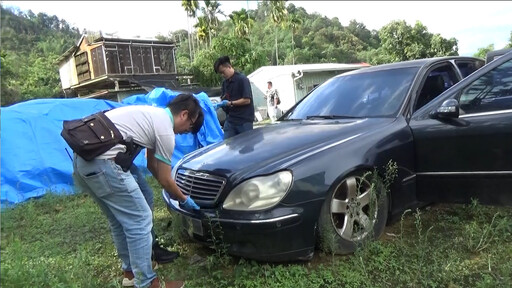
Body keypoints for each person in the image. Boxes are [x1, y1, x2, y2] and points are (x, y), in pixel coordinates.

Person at [72, 94, 203, 288]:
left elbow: (152, 165)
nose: (184, 133)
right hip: (105, 164)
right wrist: (183, 198)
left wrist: (169, 189)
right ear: (185, 115)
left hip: (83, 163)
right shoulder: (166, 131)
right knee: (140, 220)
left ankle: (131, 273)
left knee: (128, 210)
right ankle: (148, 282)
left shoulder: (153, 115)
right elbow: (166, 178)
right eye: (189, 128)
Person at [213, 55, 255, 139]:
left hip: (244, 121)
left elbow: (247, 100)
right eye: (220, 73)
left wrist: (231, 103)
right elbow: (224, 97)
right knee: (227, 146)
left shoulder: (242, 80)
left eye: (223, 72)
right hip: (231, 120)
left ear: (229, 66)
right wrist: (221, 103)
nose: (222, 75)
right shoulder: (225, 83)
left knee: (247, 147)